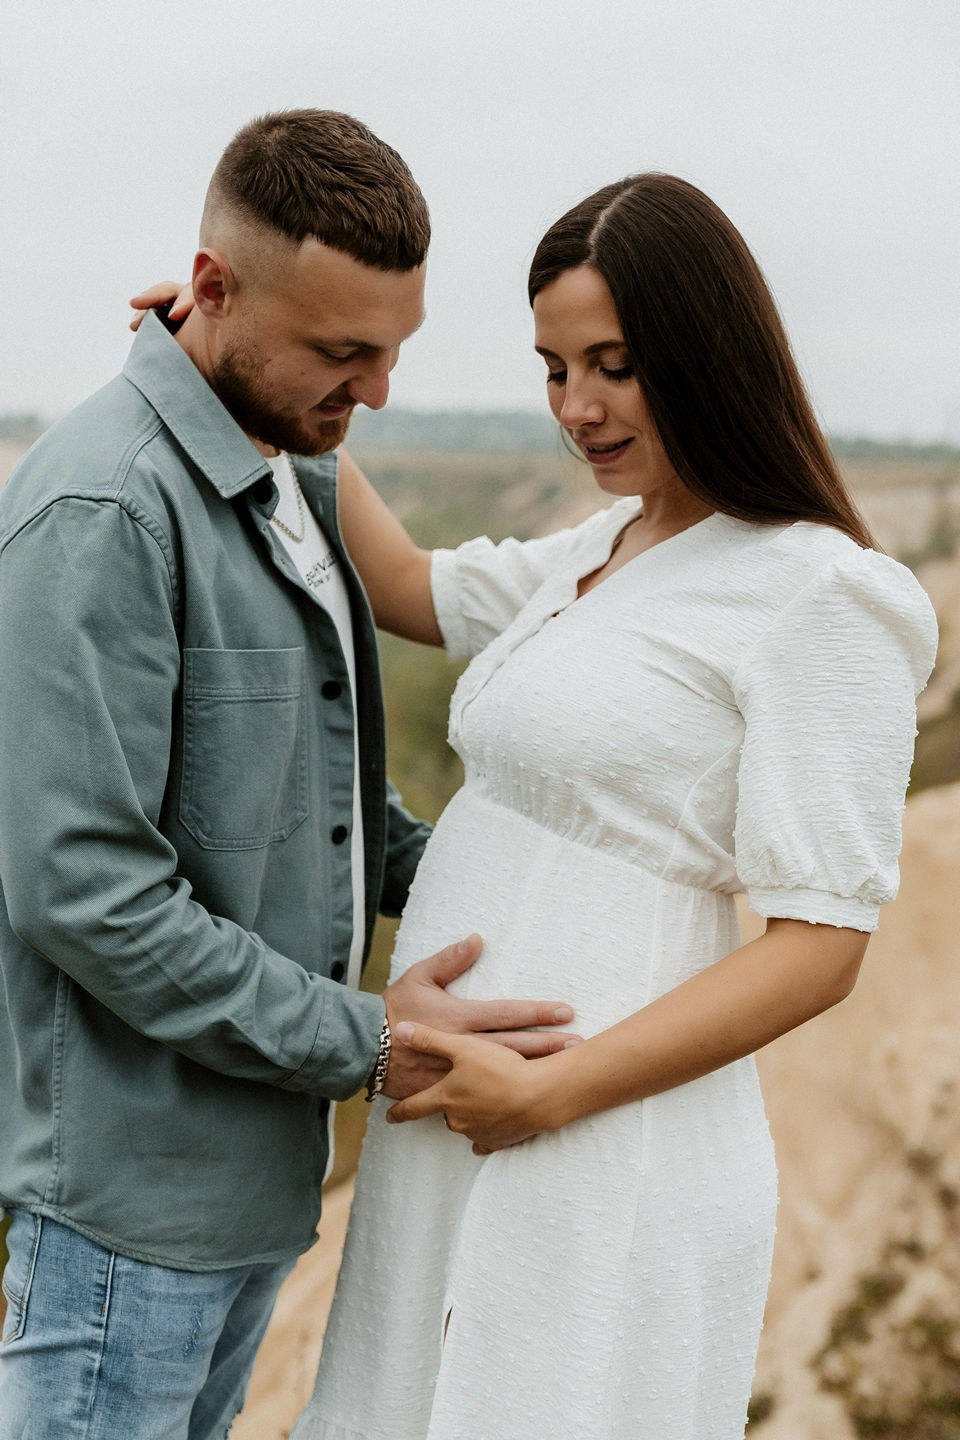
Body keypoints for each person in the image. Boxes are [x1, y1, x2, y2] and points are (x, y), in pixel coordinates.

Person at [285, 175, 938, 1440]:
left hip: (601, 1138)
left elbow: (822, 945)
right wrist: (293, 388)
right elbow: (409, 583)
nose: (576, 407)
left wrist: (556, 1093)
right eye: (553, 369)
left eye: (615, 366)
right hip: (460, 1116)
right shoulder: (604, 546)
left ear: (707, 352)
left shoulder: (822, 593)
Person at [0, 110, 575, 1440]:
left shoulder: (290, 475)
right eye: (340, 353)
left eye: (394, 350)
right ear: (212, 287)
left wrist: (534, 878)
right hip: (126, 1223)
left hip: (253, 1197)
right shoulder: (105, 511)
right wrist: (368, 1041)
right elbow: (88, 894)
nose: (376, 392)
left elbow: (320, 806)